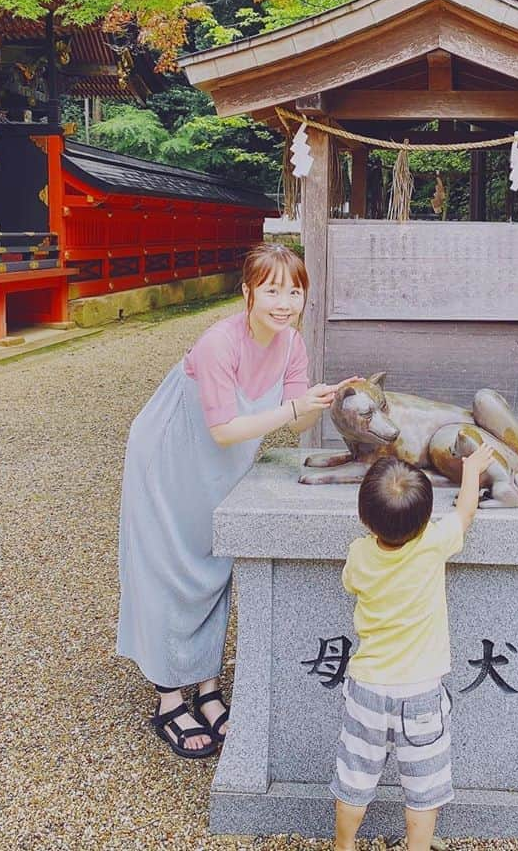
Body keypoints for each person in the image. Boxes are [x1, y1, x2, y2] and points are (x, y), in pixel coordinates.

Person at [117, 243, 346, 759]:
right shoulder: (219, 343)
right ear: (247, 293)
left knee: (216, 565)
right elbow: (222, 428)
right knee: (168, 566)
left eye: (295, 290)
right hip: (171, 457)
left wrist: (315, 403)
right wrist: (292, 408)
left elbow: (299, 419)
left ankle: (207, 685)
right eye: (272, 290)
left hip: (222, 467)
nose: (285, 301)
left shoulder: (291, 344)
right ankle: (168, 696)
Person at [331, 440, 496, 851]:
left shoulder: (360, 555)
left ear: (364, 518)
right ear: (424, 522)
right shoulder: (433, 544)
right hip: (420, 693)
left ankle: (344, 845)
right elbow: (465, 512)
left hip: (367, 689)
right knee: (423, 788)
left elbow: (350, 582)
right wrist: (471, 469)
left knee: (355, 777)